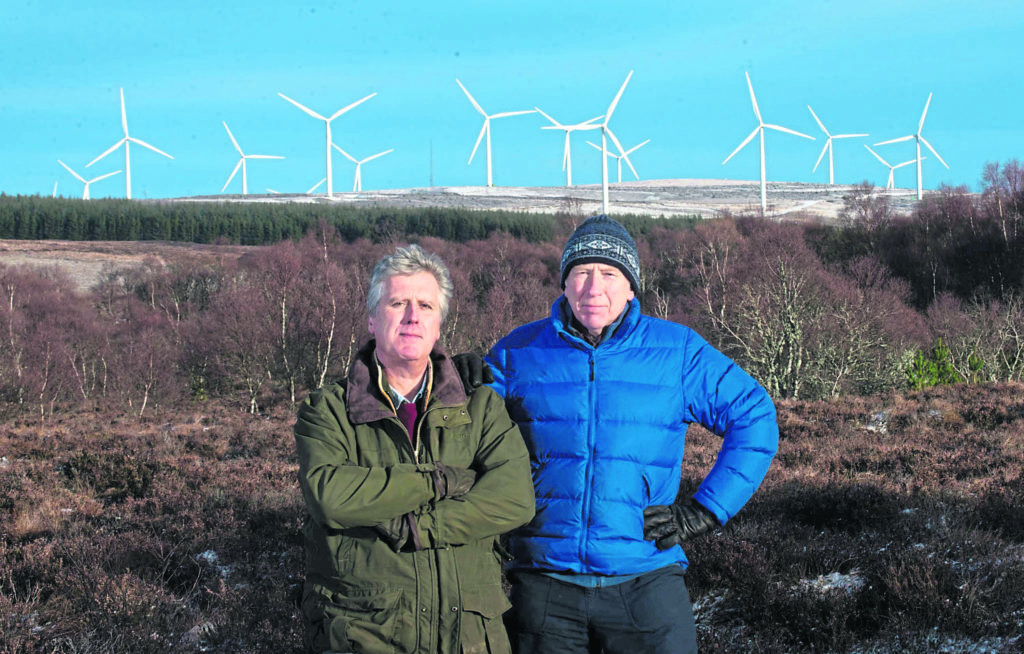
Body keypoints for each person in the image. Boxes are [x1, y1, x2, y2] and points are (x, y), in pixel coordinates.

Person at [456, 215, 779, 653]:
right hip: (545, 586)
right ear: (564, 284)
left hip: (646, 586)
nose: (594, 288)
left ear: (631, 287)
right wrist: (451, 378)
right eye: (581, 273)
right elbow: (460, 426)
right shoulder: (519, 351)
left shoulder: (676, 351)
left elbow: (754, 415)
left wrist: (707, 510)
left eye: (609, 273)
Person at [294, 243, 535, 654]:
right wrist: (441, 480)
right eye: (397, 303)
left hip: (469, 638)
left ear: (439, 323)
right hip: (365, 636)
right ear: (372, 319)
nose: (412, 317)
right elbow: (332, 497)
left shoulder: (481, 407)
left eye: (425, 305)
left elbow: (514, 499)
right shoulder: (328, 410)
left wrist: (419, 528)